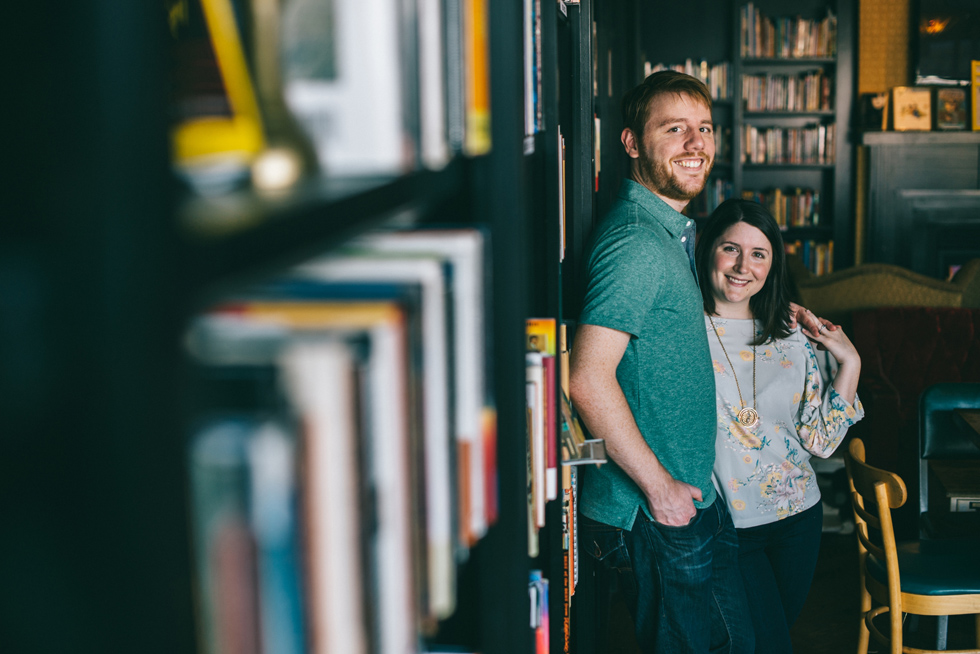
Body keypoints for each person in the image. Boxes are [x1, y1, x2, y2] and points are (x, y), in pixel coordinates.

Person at [569, 70, 827, 653]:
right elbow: (586, 377)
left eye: (704, 129)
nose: (695, 144)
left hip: (688, 504)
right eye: (675, 128)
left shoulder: (669, 238)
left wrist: (780, 312)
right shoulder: (636, 242)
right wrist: (660, 489)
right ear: (632, 142)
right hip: (657, 510)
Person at [695, 198, 864, 653]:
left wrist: (849, 359)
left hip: (798, 522)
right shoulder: (683, 327)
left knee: (770, 637)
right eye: (731, 248)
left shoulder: (789, 330)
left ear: (772, 264)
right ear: (708, 248)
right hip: (729, 525)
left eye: (758, 254)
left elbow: (822, 442)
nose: (742, 266)